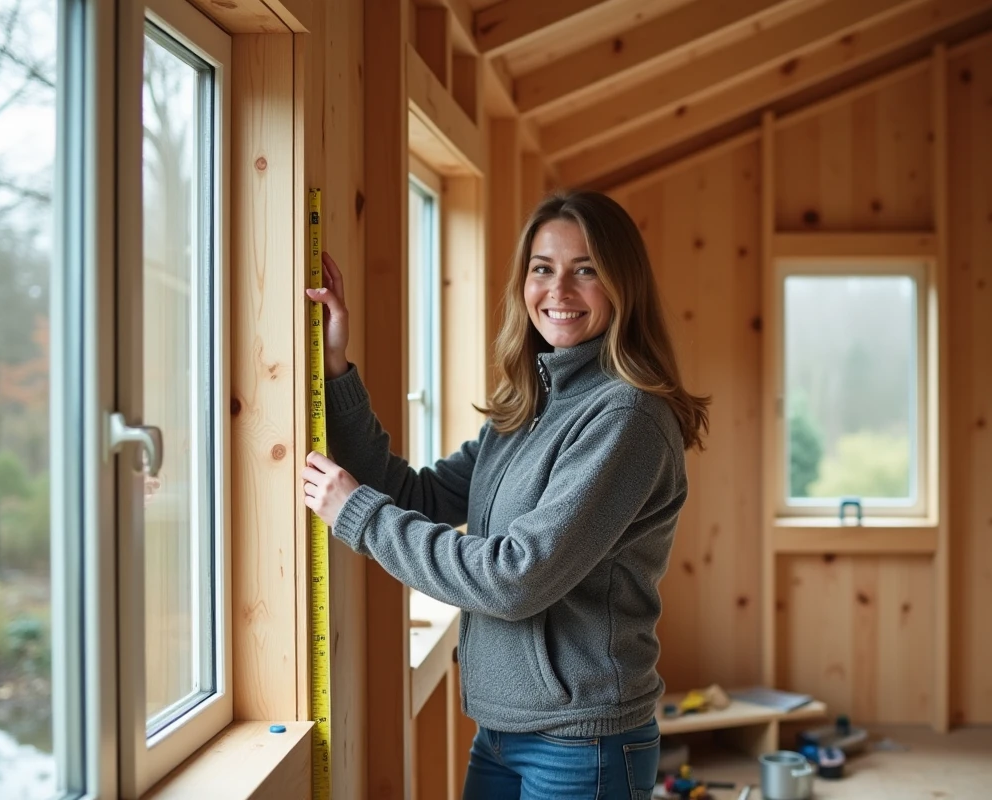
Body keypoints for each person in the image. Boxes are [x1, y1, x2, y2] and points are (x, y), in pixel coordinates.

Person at [300, 189, 709, 800]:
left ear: (623, 285)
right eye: (543, 268)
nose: (559, 291)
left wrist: (356, 513)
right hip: (502, 731)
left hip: (583, 744)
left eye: (586, 270)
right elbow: (419, 495)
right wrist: (335, 370)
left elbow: (514, 578)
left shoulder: (626, 418)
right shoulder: (533, 404)